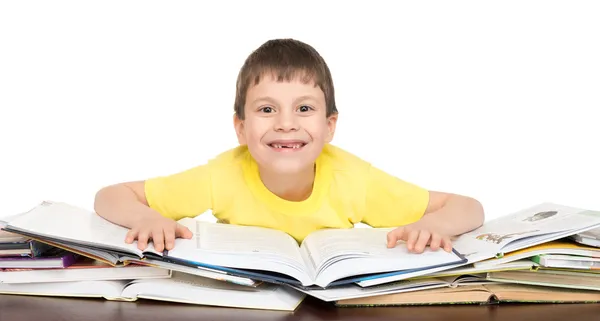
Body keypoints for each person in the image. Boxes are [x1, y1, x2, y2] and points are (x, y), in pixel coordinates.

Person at [93, 38, 485, 255]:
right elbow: (110, 196)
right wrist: (145, 218)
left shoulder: (355, 179)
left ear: (329, 126)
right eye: (267, 109)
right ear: (241, 128)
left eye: (304, 108)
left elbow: (469, 207)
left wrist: (433, 225)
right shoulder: (223, 174)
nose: (285, 123)